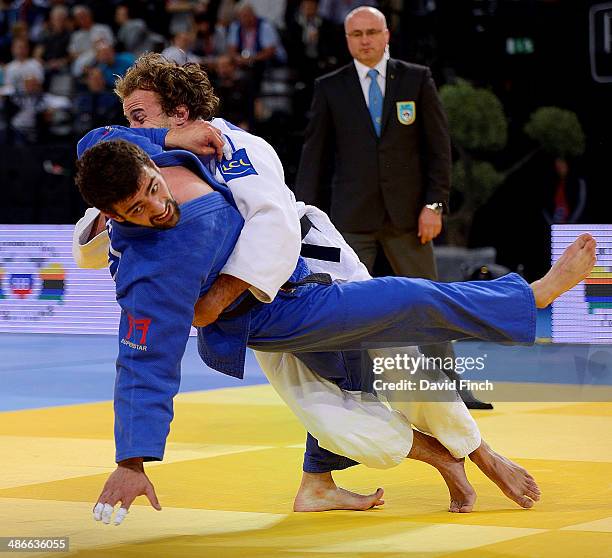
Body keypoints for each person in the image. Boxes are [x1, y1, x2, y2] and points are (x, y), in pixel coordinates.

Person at [76, 134, 595, 526]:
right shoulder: (149, 270)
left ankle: (350, 476)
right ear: (109, 217)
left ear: (148, 163)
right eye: (135, 212)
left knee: (384, 369)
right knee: (403, 302)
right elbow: (145, 360)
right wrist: (132, 459)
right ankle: (528, 298)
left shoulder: (148, 150)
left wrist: (170, 139)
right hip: (277, 314)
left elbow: (96, 138)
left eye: (151, 189)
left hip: (301, 266)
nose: (156, 208)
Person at [294, 6, 490, 408]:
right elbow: (315, 155)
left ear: (387, 35)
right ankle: (357, 387)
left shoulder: (417, 79)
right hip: (352, 217)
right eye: (356, 34)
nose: (364, 40)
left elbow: (439, 151)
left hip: (410, 217)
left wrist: (434, 205)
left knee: (430, 300)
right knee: (350, 306)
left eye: (371, 32)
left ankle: (451, 387)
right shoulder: (331, 86)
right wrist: (304, 216)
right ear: (347, 40)